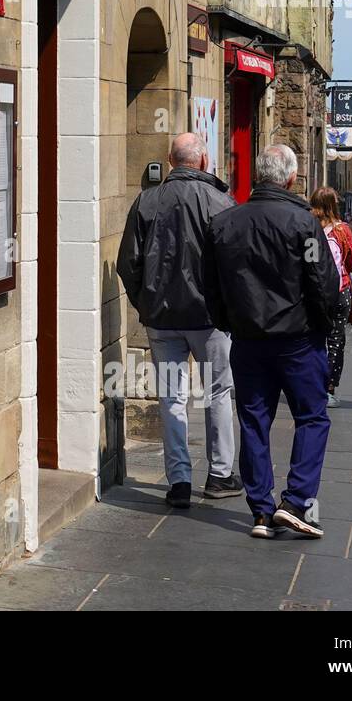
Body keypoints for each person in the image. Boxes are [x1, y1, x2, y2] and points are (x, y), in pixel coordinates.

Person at [204, 144, 340, 540]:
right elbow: (322, 282)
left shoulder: (224, 223)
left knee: (253, 421)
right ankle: (295, 501)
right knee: (312, 417)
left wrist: (229, 322)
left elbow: (209, 285)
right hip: (298, 339)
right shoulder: (304, 223)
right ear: (292, 178)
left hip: (248, 340)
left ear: (258, 175)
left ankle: (262, 511)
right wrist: (322, 321)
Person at [117, 133, 241, 509]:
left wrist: (146, 305)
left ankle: (179, 481)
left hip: (163, 319)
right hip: (210, 320)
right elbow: (235, 267)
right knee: (218, 393)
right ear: (203, 162)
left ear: (170, 161)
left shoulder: (147, 200)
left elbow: (128, 263)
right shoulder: (221, 202)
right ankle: (219, 475)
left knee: (172, 397)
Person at [310, 187, 352, 406]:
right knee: (336, 340)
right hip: (340, 291)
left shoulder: (308, 227)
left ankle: (312, 383)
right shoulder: (343, 230)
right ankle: (328, 387)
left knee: (314, 338)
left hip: (313, 292)